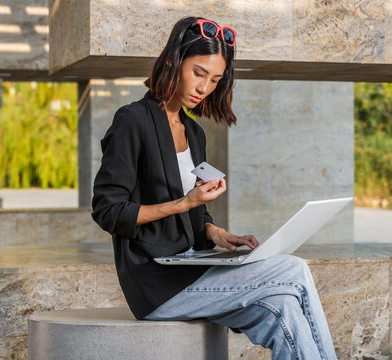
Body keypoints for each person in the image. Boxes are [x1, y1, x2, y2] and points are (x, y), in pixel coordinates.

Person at [91, 16, 338, 359]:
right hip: (157, 284)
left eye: (215, 80)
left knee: (284, 308)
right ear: (172, 62)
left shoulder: (194, 133)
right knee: (294, 270)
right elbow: (108, 211)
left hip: (194, 269)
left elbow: (194, 212)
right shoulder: (132, 121)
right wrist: (184, 202)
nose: (204, 87)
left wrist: (215, 232)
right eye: (198, 73)